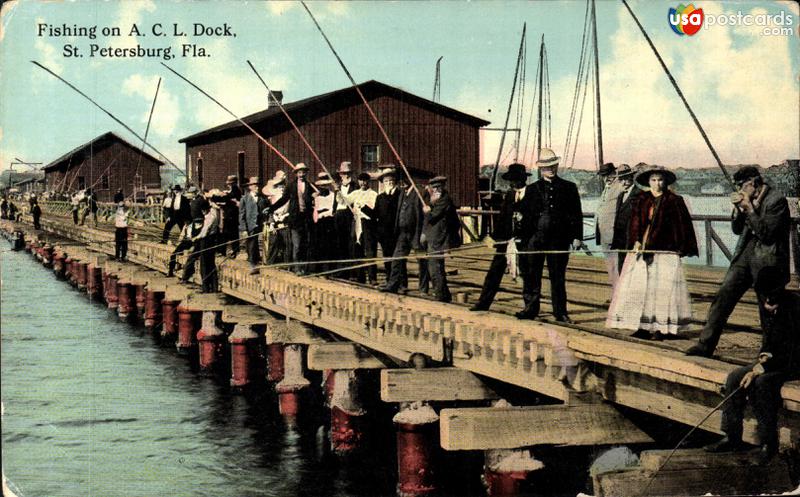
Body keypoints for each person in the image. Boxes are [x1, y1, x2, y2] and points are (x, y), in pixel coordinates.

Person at [686, 166, 790, 357]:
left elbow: (766, 235)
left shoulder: (777, 200)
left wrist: (749, 207)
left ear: (752, 182)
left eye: (742, 185)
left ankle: (769, 353)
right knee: (723, 296)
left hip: (768, 260)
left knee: (767, 308)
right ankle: (705, 345)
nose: (740, 189)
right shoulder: (747, 198)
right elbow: (736, 229)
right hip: (745, 255)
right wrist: (739, 209)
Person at [703, 269, 799, 465]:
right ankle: (732, 437)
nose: (764, 300)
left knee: (762, 384)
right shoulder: (767, 302)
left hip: (794, 363)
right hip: (775, 360)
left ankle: (768, 443)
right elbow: (769, 339)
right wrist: (761, 359)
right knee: (734, 377)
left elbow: (793, 349)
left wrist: (761, 369)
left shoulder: (794, 307)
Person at [607, 166, 698, 339]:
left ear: (665, 182)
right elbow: (634, 224)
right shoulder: (642, 199)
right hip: (642, 249)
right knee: (642, 288)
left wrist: (679, 247)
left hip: (664, 251)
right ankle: (642, 326)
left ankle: (660, 328)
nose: (657, 184)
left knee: (662, 289)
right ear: (648, 182)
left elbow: (682, 226)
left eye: (660, 180)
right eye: (653, 180)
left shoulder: (674, 200)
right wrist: (636, 240)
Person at [515, 148, 583, 322]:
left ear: (557, 165)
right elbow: (524, 215)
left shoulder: (569, 188)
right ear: (540, 169)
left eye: (552, 166)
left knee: (558, 277)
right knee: (531, 276)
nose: (550, 169)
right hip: (535, 240)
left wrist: (577, 237)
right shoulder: (532, 189)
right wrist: (520, 237)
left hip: (559, 240)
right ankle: (530, 309)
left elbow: (576, 214)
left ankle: (560, 312)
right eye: (546, 167)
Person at [471, 163, 530, 311]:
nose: (512, 183)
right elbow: (503, 219)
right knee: (494, 272)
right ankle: (483, 303)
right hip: (505, 242)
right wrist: (493, 237)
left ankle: (529, 308)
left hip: (523, 243)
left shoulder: (531, 194)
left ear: (522, 180)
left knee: (526, 275)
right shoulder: (509, 195)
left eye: (515, 180)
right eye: (511, 180)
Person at [268, 163, 315, 274]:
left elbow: (318, 196)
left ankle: (304, 267)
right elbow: (284, 199)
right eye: (299, 172)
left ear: (306, 173)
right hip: (295, 219)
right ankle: (297, 268)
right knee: (297, 245)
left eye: (303, 172)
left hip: (306, 220)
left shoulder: (310, 185)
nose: (301, 174)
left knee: (305, 244)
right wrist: (271, 208)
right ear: (296, 174)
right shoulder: (291, 186)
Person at [382, 175, 424, 294]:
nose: (403, 183)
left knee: (421, 261)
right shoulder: (402, 194)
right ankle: (393, 285)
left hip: (415, 232)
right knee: (397, 259)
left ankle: (423, 289)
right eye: (401, 180)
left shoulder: (418, 193)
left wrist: (422, 234)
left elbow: (423, 215)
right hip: (402, 233)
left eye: (405, 180)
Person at [422, 175, 461, 302]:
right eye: (433, 187)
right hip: (433, 236)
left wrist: (427, 211)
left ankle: (440, 294)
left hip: (439, 237)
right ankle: (443, 294)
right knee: (435, 266)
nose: (435, 190)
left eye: (438, 187)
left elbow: (433, 216)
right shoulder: (433, 200)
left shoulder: (444, 200)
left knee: (435, 267)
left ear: (443, 187)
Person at [595, 163, 624, 288]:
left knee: (618, 266)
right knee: (610, 265)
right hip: (604, 234)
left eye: (609, 175)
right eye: (603, 176)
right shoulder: (606, 188)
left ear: (615, 173)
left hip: (615, 234)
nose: (607, 178)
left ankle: (618, 294)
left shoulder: (620, 187)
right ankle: (614, 292)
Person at [610, 164, 641, 273]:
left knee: (633, 270)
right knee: (621, 269)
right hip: (620, 239)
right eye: (621, 179)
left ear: (631, 177)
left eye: (625, 178)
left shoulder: (639, 195)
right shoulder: (621, 195)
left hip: (632, 239)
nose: (623, 182)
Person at [349, 172, 379, 284]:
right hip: (357, 222)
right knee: (357, 249)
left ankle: (372, 277)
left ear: (369, 182)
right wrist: (338, 191)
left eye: (365, 181)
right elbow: (345, 200)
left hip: (368, 224)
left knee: (370, 250)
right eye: (361, 180)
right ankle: (359, 276)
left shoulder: (373, 194)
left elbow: (373, 209)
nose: (363, 183)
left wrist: (363, 206)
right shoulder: (355, 193)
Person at [374, 167, 402, 281]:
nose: (389, 183)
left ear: (395, 181)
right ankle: (389, 279)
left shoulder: (400, 194)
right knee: (387, 257)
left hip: (396, 231)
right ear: (383, 183)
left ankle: (401, 282)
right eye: (386, 181)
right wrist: (363, 208)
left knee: (398, 258)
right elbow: (375, 213)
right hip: (384, 233)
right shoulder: (380, 197)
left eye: (391, 181)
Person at [238, 177, 268, 275]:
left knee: (261, 244)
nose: (257, 188)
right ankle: (252, 265)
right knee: (251, 245)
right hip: (250, 226)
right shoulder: (245, 199)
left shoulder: (262, 199)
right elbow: (242, 215)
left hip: (260, 225)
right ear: (250, 187)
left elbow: (266, 211)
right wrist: (244, 229)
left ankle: (260, 262)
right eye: (255, 186)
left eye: (258, 185)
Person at [262, 171, 291, 265]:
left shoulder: (287, 197)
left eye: (282, 185)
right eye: (278, 186)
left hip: (285, 221)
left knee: (287, 244)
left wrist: (284, 217)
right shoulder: (272, 198)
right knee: (273, 243)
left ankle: (287, 264)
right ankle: (270, 263)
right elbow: (270, 211)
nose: (281, 188)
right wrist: (272, 223)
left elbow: (291, 209)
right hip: (274, 222)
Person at [311, 172, 337, 274]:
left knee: (328, 246)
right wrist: (317, 216)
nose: (323, 187)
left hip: (329, 222)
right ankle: (318, 269)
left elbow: (332, 209)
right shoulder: (316, 197)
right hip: (318, 223)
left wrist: (324, 212)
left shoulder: (332, 195)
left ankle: (328, 269)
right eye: (321, 186)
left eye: (325, 185)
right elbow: (315, 210)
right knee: (318, 246)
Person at [209, 175, 242, 257]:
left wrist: (213, 197)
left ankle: (224, 251)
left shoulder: (235, 189)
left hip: (231, 216)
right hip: (230, 215)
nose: (228, 185)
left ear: (232, 183)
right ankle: (233, 250)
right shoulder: (233, 190)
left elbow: (226, 198)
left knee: (226, 234)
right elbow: (229, 200)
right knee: (231, 234)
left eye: (229, 183)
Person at [334, 162, 357, 276]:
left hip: (349, 215)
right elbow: (335, 202)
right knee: (339, 242)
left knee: (350, 243)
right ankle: (341, 270)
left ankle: (350, 271)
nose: (345, 176)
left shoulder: (355, 186)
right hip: (339, 214)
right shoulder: (337, 187)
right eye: (343, 173)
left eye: (347, 173)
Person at [196, 196, 220, 293]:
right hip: (212, 241)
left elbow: (204, 232)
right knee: (211, 265)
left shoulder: (209, 217)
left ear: (205, 210)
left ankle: (206, 288)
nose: (202, 212)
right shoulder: (214, 215)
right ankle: (214, 287)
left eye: (203, 210)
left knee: (204, 266)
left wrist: (196, 237)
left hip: (206, 242)